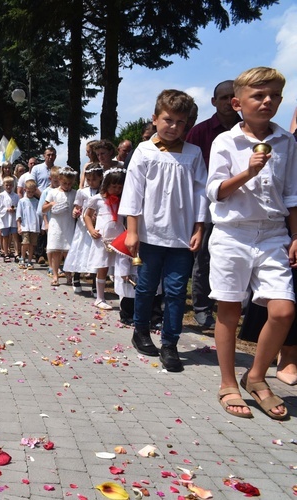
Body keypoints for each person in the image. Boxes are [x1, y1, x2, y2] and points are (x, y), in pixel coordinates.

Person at [207, 67, 296, 419]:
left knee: (284, 310)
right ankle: (228, 382)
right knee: (229, 309)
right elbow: (215, 191)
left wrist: (294, 234)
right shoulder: (226, 142)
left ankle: (256, 376)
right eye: (259, 95)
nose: (267, 101)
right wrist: (248, 171)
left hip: (273, 233)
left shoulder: (287, 142)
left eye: (274, 95)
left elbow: (292, 194)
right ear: (237, 103)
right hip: (234, 233)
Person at [119, 89, 207, 372]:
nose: (173, 127)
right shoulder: (144, 151)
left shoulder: (193, 154)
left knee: (176, 292)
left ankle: (170, 343)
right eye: (168, 120)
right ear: (155, 119)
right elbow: (133, 192)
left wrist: (199, 227)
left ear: (187, 124)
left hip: (181, 236)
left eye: (181, 122)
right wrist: (132, 231)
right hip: (150, 233)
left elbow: (201, 192)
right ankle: (141, 330)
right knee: (145, 287)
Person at [186, 80, 241, 329]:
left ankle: (238, 305)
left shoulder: (248, 130)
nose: (228, 102)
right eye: (223, 97)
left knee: (238, 257)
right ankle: (202, 307)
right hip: (208, 202)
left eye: (232, 97)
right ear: (213, 101)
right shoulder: (200, 132)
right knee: (205, 257)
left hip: (240, 203)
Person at [84, 169, 126, 310]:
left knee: (121, 267)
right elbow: (87, 215)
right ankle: (100, 298)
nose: (117, 190)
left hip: (119, 237)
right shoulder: (97, 199)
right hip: (103, 238)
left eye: (120, 187)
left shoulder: (123, 200)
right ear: (106, 184)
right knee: (103, 266)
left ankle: (123, 297)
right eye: (113, 186)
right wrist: (91, 229)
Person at [64, 164, 103, 293]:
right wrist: (75, 212)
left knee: (94, 253)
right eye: (89, 180)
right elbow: (77, 206)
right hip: (83, 226)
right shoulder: (82, 192)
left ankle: (94, 283)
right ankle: (76, 276)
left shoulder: (103, 191)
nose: (91, 182)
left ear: (100, 178)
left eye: (94, 180)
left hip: (97, 225)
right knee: (80, 251)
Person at [43, 167, 77, 286]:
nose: (67, 186)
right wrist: (51, 204)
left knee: (67, 251)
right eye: (64, 183)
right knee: (56, 251)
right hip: (56, 225)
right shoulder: (53, 192)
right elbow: (43, 208)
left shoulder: (74, 193)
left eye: (69, 183)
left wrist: (76, 211)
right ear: (59, 180)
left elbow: (77, 207)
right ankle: (55, 275)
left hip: (68, 224)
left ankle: (69, 276)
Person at [16, 179, 41, 269]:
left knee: (32, 244)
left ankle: (30, 260)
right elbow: (18, 215)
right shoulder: (22, 201)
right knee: (25, 243)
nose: (30, 193)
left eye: (32, 191)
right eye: (28, 191)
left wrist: (41, 226)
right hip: (25, 226)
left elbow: (39, 214)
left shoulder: (37, 202)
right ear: (25, 190)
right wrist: (19, 226)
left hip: (34, 226)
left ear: (35, 191)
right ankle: (22, 258)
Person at [0, 176, 19, 261]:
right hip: (4, 219)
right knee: (5, 236)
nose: (9, 187)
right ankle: (6, 253)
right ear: (4, 186)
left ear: (13, 185)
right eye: (7, 185)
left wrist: (14, 209)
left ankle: (17, 253)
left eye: (10, 185)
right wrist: (6, 209)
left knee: (15, 236)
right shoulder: (1, 196)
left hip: (13, 219)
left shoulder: (16, 196)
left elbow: (18, 206)